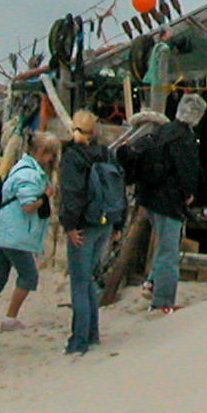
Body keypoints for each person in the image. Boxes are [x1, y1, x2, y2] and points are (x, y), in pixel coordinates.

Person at [116, 97, 203, 314]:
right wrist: (188, 194)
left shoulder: (162, 131)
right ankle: (162, 302)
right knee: (169, 252)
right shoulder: (184, 139)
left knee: (163, 245)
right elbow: (187, 170)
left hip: (150, 198)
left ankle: (153, 281)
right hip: (169, 201)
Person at [0, 129, 55, 335]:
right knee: (29, 276)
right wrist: (45, 196)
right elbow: (28, 205)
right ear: (43, 153)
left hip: (3, 231)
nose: (52, 159)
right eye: (51, 154)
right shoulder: (30, 174)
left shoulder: (20, 167)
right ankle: (10, 318)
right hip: (16, 235)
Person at [55, 111, 120, 354]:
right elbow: (118, 186)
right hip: (105, 220)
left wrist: (69, 226)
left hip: (84, 223)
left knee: (80, 283)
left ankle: (79, 339)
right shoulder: (105, 153)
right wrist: (119, 223)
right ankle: (92, 333)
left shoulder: (72, 156)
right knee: (90, 279)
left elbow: (72, 194)